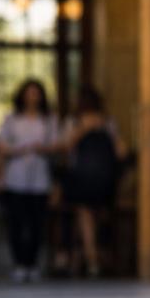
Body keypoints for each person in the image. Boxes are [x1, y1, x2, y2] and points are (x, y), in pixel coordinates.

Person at [57, 85, 127, 278]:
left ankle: (87, 259)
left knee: (83, 211)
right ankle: (88, 258)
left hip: (95, 180)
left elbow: (121, 151)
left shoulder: (105, 124)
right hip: (90, 181)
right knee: (83, 211)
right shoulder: (77, 123)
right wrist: (83, 130)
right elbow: (65, 148)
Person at [0, 78, 59, 283]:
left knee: (37, 224)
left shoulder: (48, 120)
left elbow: (58, 146)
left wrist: (42, 148)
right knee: (16, 223)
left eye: (36, 92)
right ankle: (19, 263)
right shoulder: (11, 120)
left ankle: (32, 263)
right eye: (29, 92)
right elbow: (1, 148)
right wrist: (2, 172)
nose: (33, 96)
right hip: (16, 177)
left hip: (40, 178)